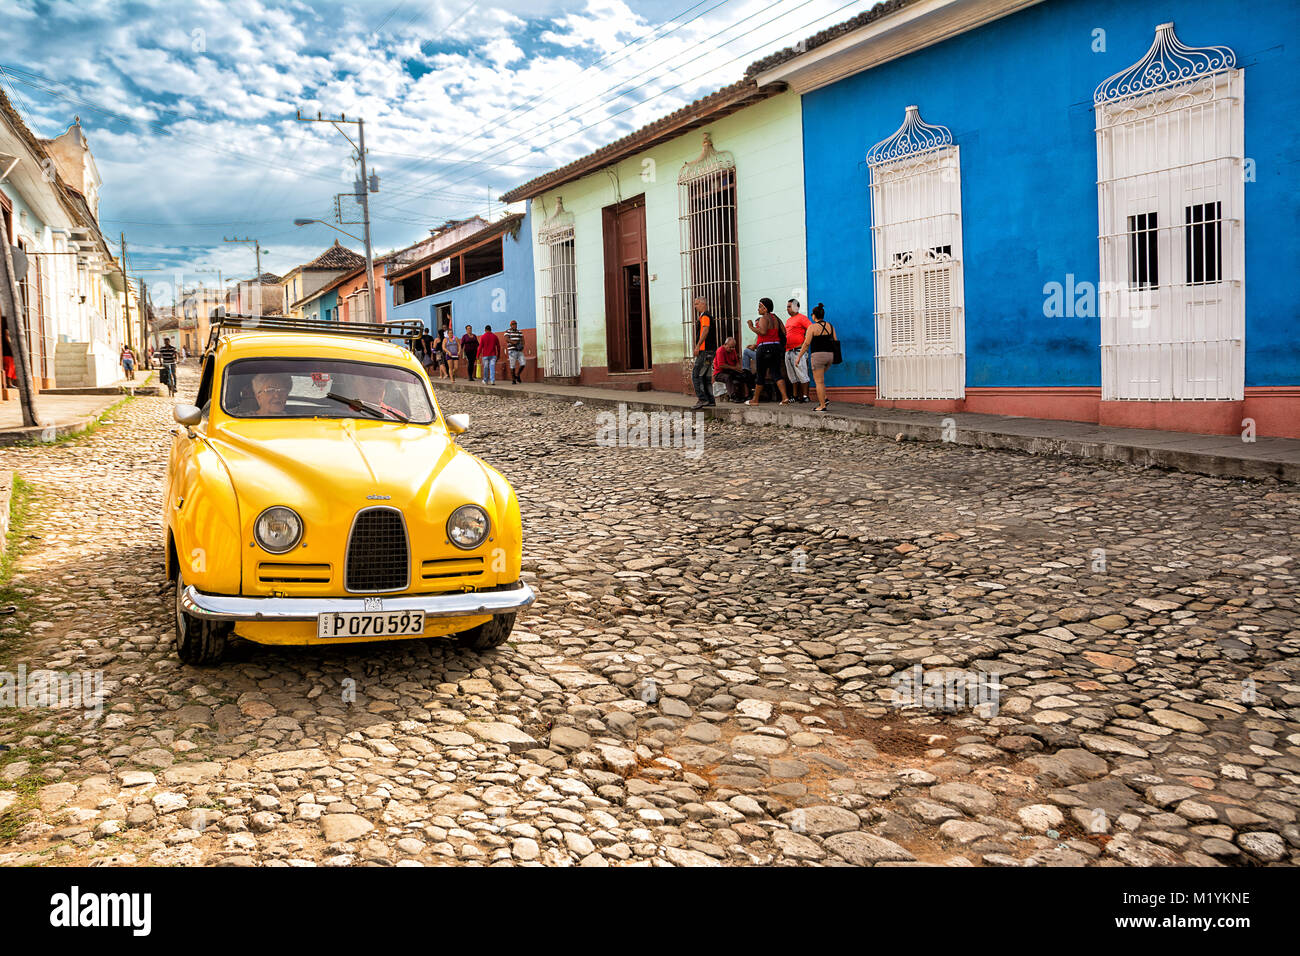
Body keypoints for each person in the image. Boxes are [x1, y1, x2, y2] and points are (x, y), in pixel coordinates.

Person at [795, 303, 838, 412]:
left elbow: (806, 344)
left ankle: (822, 405)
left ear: (814, 315)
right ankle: (824, 398)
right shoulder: (830, 326)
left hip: (818, 356)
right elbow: (835, 341)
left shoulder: (812, 327)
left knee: (819, 381)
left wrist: (799, 357)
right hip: (830, 356)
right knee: (821, 379)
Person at [745, 297, 788, 406]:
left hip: (764, 348)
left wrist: (751, 327)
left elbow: (763, 332)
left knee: (761, 374)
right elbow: (784, 331)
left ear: (765, 308)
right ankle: (785, 397)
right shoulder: (776, 318)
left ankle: (755, 400)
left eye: (760, 307)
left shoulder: (764, 318)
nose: (758, 309)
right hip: (776, 347)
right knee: (776, 373)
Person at [689, 296, 716, 410]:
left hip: (705, 351)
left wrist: (698, 346)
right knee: (706, 376)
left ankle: (702, 398)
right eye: (695, 304)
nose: (695, 306)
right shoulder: (707, 315)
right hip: (710, 350)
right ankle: (710, 400)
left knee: (696, 374)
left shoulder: (705, 316)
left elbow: (705, 329)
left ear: (703, 304)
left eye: (696, 304)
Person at [784, 298, 812, 403]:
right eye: (787, 306)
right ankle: (795, 396)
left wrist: (804, 343)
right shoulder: (788, 320)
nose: (787, 308)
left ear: (796, 307)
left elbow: (811, 329)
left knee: (802, 373)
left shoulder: (802, 318)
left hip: (798, 350)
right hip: (788, 350)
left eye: (789, 306)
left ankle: (805, 396)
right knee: (792, 375)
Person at [713, 335, 752, 403]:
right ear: (725, 344)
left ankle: (747, 395)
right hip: (719, 373)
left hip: (730, 370)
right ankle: (733, 396)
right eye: (730, 347)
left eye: (733, 347)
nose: (732, 349)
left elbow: (736, 362)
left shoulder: (733, 350)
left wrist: (739, 369)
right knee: (728, 377)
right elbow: (721, 365)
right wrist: (734, 368)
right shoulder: (720, 350)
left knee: (745, 374)